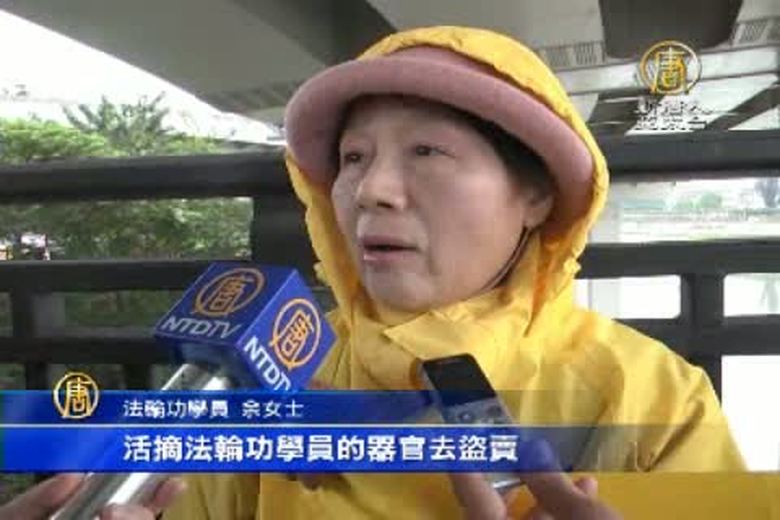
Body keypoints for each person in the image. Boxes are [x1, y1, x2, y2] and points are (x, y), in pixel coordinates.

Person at [8, 25, 775, 519]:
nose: (371, 189)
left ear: (536, 196)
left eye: (427, 151)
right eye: (353, 157)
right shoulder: (265, 381)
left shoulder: (651, 397)